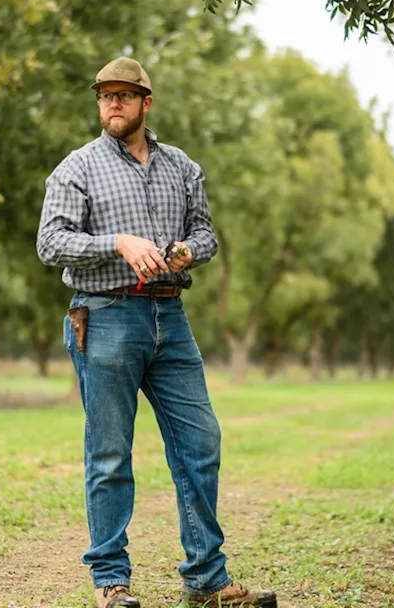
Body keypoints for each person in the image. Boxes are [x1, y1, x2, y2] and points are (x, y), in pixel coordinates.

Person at [37, 56, 277, 608]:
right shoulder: (77, 168)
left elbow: (206, 234)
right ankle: (110, 582)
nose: (112, 104)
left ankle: (205, 579)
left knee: (201, 442)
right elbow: (51, 243)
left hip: (171, 317)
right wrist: (118, 242)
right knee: (110, 453)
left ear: (146, 102)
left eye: (124, 95)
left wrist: (189, 250)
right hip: (105, 317)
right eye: (105, 96)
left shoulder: (182, 167)